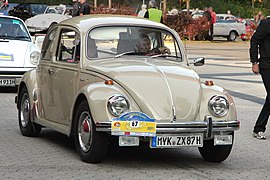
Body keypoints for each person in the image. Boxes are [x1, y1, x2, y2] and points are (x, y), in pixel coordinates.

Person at [250, 17, 270, 140]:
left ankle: (258, 128)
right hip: (267, 65)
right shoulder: (266, 23)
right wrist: (254, 62)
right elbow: (254, 41)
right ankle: (258, 129)